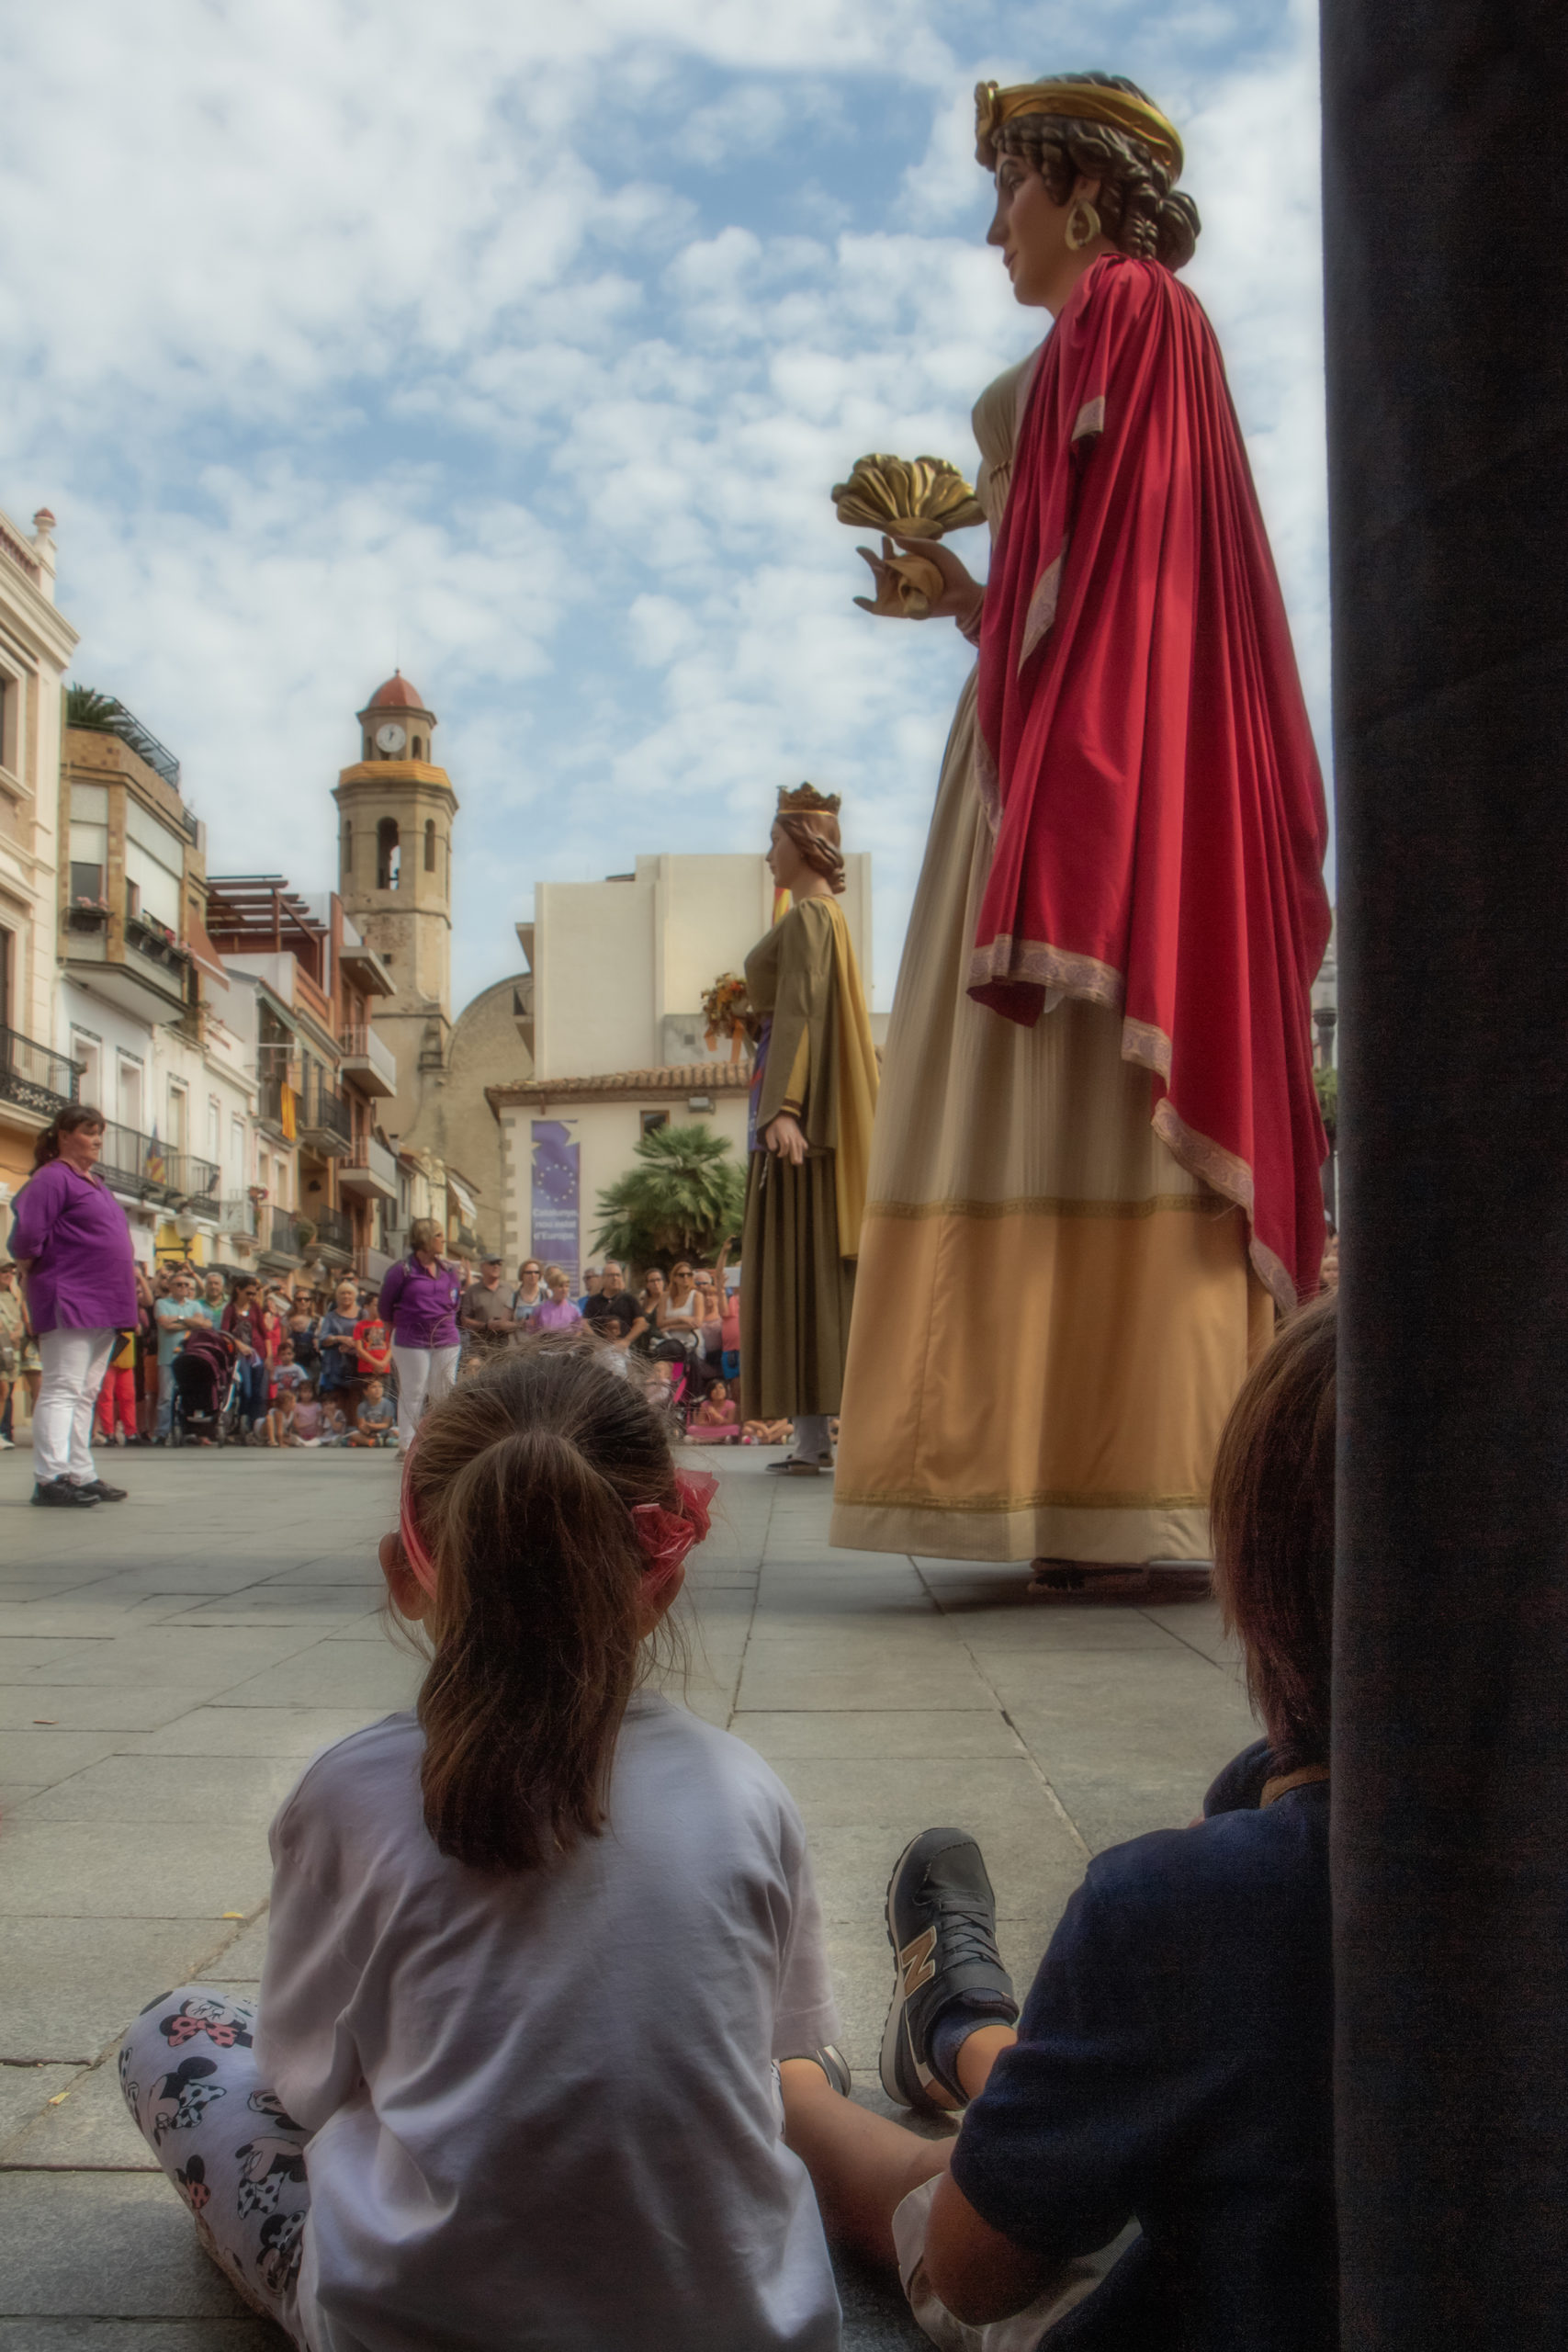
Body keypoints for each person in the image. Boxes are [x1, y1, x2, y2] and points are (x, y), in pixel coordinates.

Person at [830, 76, 1331, 1589]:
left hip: (1090, 763)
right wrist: (969, 605)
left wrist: (1055, 752)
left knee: (1056, 1086)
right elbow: (1077, 582)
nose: (995, 229)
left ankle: (1120, 1483)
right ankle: (1074, 1483)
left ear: (1086, 192)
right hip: (1061, 737)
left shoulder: (1126, 312)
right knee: (1034, 1099)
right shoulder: (1116, 333)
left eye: (1009, 191)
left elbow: (1114, 587)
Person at [118, 1347, 842, 2352]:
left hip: (415, 2324)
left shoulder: (352, 1791)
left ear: (404, 1577)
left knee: (179, 2033)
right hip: (746, 2325)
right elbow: (781, 2043)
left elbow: (303, 2080)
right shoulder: (745, 1786)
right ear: (661, 1582)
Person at [778, 1295, 1337, 2346]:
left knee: (953, 2204)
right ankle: (973, 2041)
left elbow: (972, 2272)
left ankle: (798, 2083)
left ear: (1258, 1590)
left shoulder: (1183, 1904)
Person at [741, 785, 878, 1476]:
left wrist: (785, 1108)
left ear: (802, 840)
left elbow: (800, 1010)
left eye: (774, 839)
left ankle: (817, 1438)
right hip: (803, 1106)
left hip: (798, 1117)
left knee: (804, 1263)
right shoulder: (826, 920)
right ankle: (813, 1438)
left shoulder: (809, 921)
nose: (767, 854)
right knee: (809, 1267)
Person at [6, 1105, 136, 1507]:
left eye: (100, 1132)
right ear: (64, 1135)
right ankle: (49, 1478)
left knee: (86, 1391)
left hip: (105, 1299)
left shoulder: (95, 1183)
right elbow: (26, 1236)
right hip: (72, 1295)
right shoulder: (51, 1178)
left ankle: (80, 1472)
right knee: (62, 1388)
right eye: (88, 1131)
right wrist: (29, 1263)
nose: (97, 1139)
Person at [378, 1217, 464, 1453]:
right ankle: (406, 1444)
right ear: (425, 1239)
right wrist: (396, 1328)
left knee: (444, 1389)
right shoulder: (401, 1271)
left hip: (446, 1338)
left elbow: (455, 1301)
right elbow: (385, 1306)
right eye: (438, 1235)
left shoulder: (449, 1270)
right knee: (414, 1389)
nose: (443, 1240)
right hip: (411, 1340)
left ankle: (441, 1441)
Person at [221, 1277, 272, 1442]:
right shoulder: (230, 1309)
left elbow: (265, 1333)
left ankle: (254, 1425)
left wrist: (269, 1356)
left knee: (259, 1392)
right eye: (248, 1293)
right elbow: (224, 1333)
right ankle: (242, 1419)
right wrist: (239, 1345)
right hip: (239, 1355)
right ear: (238, 1290)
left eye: (254, 1293)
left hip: (258, 1354)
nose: (252, 1296)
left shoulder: (255, 1308)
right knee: (246, 1389)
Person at [315, 1279, 362, 1432]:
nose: (346, 1296)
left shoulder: (362, 1313)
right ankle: (340, 1431)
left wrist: (354, 1345)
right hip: (336, 1362)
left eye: (349, 1293)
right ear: (337, 1296)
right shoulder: (330, 1316)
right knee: (338, 1398)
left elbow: (370, 1334)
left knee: (356, 1398)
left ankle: (355, 1431)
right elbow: (323, 1339)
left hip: (357, 1361)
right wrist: (340, 1338)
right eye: (342, 1293)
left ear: (354, 1295)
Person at [459, 1254, 519, 1367]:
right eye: (492, 1263)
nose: (496, 1266)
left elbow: (517, 1318)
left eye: (499, 1264)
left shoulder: (508, 1289)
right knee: (474, 1371)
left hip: (505, 1348)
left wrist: (506, 1325)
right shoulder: (473, 1291)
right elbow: (464, 1321)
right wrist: (486, 1326)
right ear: (482, 1267)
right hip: (480, 1348)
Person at [581, 1260, 648, 1352]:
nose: (615, 1278)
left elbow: (641, 1323)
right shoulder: (593, 1301)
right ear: (603, 1278)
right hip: (600, 1350)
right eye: (611, 1275)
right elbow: (584, 1323)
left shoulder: (629, 1299)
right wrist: (596, 1341)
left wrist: (626, 1341)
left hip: (624, 1350)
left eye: (618, 1275)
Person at [95, 1322, 140, 1448]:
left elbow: (139, 1329)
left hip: (126, 1355)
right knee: (106, 1396)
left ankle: (131, 1433)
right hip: (108, 1354)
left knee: (128, 1397)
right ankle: (109, 1433)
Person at [687, 1380, 740, 1445]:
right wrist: (711, 1422)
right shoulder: (705, 1404)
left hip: (723, 1428)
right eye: (714, 1389)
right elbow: (700, 1422)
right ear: (710, 1392)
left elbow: (730, 1422)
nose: (718, 1391)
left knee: (735, 1428)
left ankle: (702, 1441)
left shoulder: (731, 1404)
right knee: (691, 1429)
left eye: (721, 1388)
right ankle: (720, 1439)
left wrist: (715, 1414)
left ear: (726, 1391)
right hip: (709, 1429)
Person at [349, 1376, 396, 1447]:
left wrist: (370, 1425)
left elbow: (386, 1425)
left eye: (380, 1387)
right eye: (373, 1387)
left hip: (385, 1431)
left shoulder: (388, 1404)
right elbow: (361, 1425)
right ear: (365, 1392)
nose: (378, 1390)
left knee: (395, 1431)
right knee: (353, 1433)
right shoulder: (362, 1406)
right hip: (369, 1433)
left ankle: (384, 1441)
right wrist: (366, 1430)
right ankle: (372, 1442)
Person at [287, 1382, 324, 1448]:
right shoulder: (297, 1406)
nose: (307, 1394)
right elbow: (297, 1425)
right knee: (294, 1438)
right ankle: (303, 1442)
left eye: (310, 1392)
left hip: (315, 1435)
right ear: (300, 1393)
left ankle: (307, 1443)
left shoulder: (317, 1405)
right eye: (305, 1392)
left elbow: (320, 1422)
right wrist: (311, 1423)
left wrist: (319, 1432)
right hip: (301, 1435)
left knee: (318, 1440)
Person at [513, 1257, 546, 1329]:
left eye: (536, 1272)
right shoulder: (514, 1296)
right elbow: (503, 1323)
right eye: (529, 1272)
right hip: (520, 1338)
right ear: (522, 1274)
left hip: (542, 1338)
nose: (533, 1275)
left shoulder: (547, 1294)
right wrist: (518, 1325)